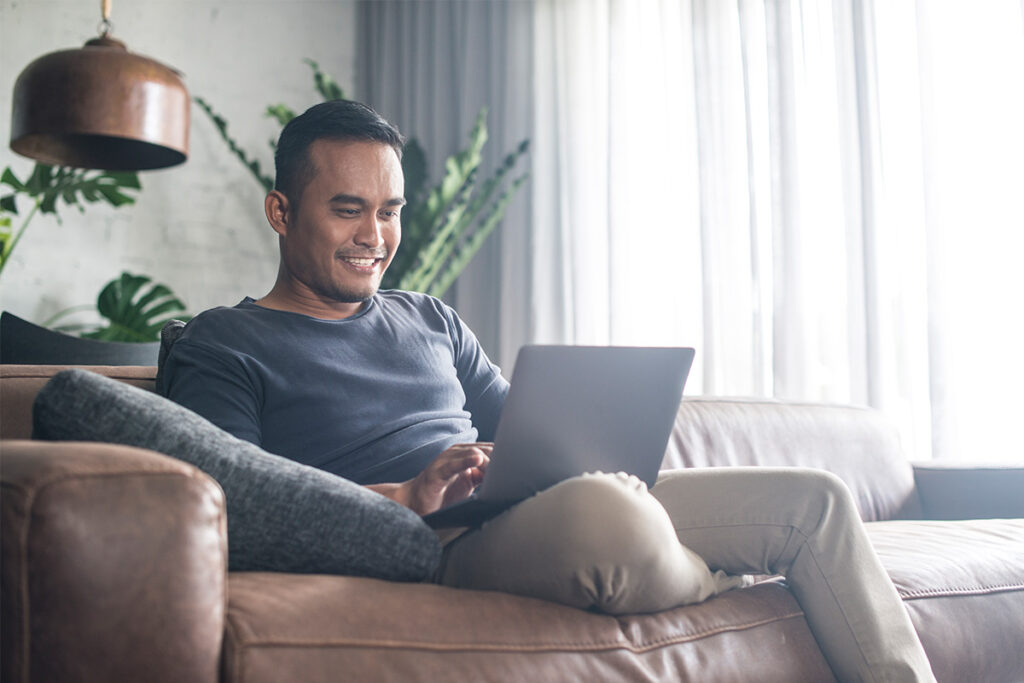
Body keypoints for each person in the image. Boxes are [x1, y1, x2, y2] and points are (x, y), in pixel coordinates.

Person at [161, 100, 935, 682]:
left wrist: (588, 438)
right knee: (613, 516)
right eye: (348, 209)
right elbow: (235, 504)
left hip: (538, 511)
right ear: (281, 211)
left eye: (390, 210)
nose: (375, 236)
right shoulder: (223, 343)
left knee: (815, 500)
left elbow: (530, 434)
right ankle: (719, 576)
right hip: (427, 541)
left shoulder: (431, 318)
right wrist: (403, 495)